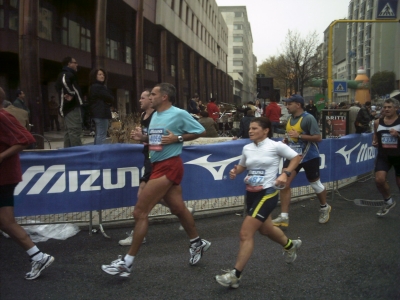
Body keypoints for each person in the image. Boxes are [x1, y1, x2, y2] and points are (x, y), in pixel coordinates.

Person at [102, 83, 210, 277]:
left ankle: (127, 263)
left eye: (153, 94)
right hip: (157, 164)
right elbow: (156, 140)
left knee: (140, 211)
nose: (150, 97)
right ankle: (197, 242)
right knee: (178, 208)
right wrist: (143, 137)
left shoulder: (178, 113)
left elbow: (200, 130)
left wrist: (177, 138)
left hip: (170, 165)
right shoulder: (156, 116)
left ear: (164, 97)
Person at [215, 117, 302, 289]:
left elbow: (296, 157)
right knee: (265, 229)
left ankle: (235, 275)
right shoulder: (247, 147)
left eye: (255, 128)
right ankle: (290, 245)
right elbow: (243, 166)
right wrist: (235, 171)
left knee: (245, 233)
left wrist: (285, 173)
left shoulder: (275, 145)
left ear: (266, 130)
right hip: (252, 193)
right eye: (249, 128)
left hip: (268, 193)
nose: (250, 131)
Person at [118, 89, 196, 246]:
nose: (141, 100)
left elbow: (164, 138)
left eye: (145, 97)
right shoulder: (144, 116)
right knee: (170, 203)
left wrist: (175, 138)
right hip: (151, 156)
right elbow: (153, 138)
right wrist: (142, 137)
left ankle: (137, 237)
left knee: (142, 199)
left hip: (161, 160)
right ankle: (188, 219)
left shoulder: (160, 115)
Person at [0, 87, 54, 280]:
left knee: (7, 222)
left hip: (4, 178)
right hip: (5, 177)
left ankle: (38, 256)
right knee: (6, 222)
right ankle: (38, 256)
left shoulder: (3, 117)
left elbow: (26, 139)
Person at [272, 94, 331, 227]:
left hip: (309, 156)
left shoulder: (308, 118)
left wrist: (299, 135)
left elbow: (318, 137)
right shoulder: (289, 118)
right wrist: (287, 140)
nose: (286, 106)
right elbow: (292, 137)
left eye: (289, 104)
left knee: (315, 185)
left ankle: (324, 207)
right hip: (294, 157)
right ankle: (284, 216)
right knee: (284, 183)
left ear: (298, 105)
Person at [372, 98, 399, 216]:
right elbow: (375, 135)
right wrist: (375, 141)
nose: (386, 109)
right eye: (385, 107)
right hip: (384, 156)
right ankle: (388, 201)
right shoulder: (378, 122)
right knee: (379, 180)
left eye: (389, 107)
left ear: (396, 108)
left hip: (399, 156)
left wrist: (397, 135)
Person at [55, 56, 83, 148]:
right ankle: (78, 154)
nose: (76, 64)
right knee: (74, 130)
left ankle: (68, 152)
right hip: (71, 107)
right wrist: (71, 93)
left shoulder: (67, 74)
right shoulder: (66, 74)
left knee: (69, 131)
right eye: (75, 62)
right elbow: (64, 82)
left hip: (68, 107)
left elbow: (58, 86)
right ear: (69, 64)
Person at [88, 68, 114, 145]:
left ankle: (96, 151)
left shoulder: (93, 87)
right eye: (99, 74)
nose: (102, 76)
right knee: (102, 134)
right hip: (101, 113)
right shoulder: (99, 87)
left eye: (103, 74)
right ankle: (99, 152)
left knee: (98, 134)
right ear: (95, 76)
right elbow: (110, 98)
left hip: (97, 113)